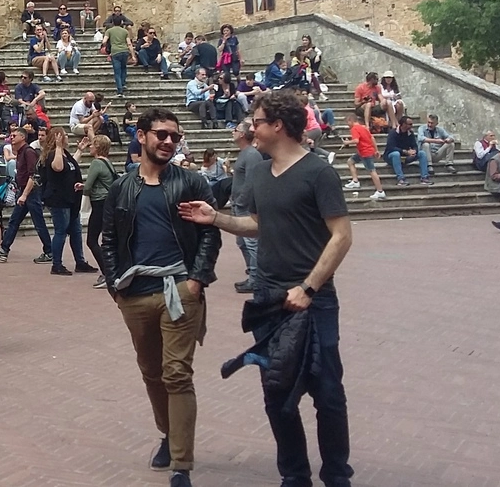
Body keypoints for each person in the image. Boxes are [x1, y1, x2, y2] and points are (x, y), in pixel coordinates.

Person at [179, 90, 355, 487]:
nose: (249, 128)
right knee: (276, 390)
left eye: (255, 122)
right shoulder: (258, 172)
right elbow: (258, 224)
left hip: (314, 300)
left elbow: (341, 236)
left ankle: (337, 475)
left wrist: (309, 288)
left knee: (327, 391)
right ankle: (294, 475)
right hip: (268, 298)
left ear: (278, 125)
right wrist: (216, 218)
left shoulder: (318, 172)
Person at [98, 107, 221, 487]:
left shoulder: (192, 182)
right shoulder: (122, 186)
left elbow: (209, 235)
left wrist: (197, 281)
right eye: (161, 134)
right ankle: (168, 434)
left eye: (174, 136)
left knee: (177, 374)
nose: (169, 141)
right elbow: (108, 239)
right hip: (135, 293)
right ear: (142, 136)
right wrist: (116, 283)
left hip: (180, 291)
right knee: (152, 373)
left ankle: (182, 464)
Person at [38, 127, 96, 277]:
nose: (67, 137)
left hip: (71, 199)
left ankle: (80, 262)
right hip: (59, 199)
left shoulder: (64, 153)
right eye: (65, 135)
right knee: (61, 231)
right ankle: (56, 264)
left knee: (76, 231)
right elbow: (58, 167)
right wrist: (57, 147)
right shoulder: (53, 154)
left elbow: (69, 166)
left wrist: (80, 150)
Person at [0, 125, 53, 262]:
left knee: (38, 222)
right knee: (15, 221)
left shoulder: (28, 152)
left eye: (14, 136)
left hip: (30, 191)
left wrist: (24, 194)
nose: (11, 138)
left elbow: (33, 175)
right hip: (25, 190)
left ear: (22, 137)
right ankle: (3, 249)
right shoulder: (21, 152)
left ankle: (49, 251)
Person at [228, 120, 265, 293]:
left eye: (235, 130)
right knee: (242, 242)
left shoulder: (251, 154)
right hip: (238, 204)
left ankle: (257, 278)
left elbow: (251, 181)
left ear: (242, 134)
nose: (232, 132)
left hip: (245, 206)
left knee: (251, 243)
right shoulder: (245, 153)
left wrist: (242, 201)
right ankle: (252, 273)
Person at [82, 135, 118, 289]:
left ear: (97, 147)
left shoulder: (96, 163)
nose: (90, 147)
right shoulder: (107, 162)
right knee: (106, 239)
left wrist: (82, 190)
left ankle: (107, 273)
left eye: (92, 145)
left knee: (91, 240)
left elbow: (88, 186)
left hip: (99, 203)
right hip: (108, 202)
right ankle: (112, 271)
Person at [340, 113, 385, 201]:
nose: (347, 125)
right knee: (350, 161)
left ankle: (380, 191)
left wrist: (347, 142)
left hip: (365, 152)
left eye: (347, 122)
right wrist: (376, 150)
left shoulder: (354, 129)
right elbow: (372, 138)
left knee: (372, 171)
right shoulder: (364, 127)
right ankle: (355, 181)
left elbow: (356, 140)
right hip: (365, 151)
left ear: (350, 120)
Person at [382, 116, 429, 186]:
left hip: (406, 156)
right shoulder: (393, 133)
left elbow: (415, 145)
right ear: (403, 124)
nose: (411, 126)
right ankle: (400, 179)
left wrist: (414, 151)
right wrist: (405, 151)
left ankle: (424, 177)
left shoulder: (410, 133)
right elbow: (391, 147)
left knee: (422, 153)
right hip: (391, 156)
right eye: (409, 124)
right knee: (396, 154)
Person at [103, 20, 134, 97]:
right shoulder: (125, 31)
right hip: (124, 51)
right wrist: (133, 55)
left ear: (113, 23)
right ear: (121, 23)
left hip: (115, 52)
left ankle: (120, 90)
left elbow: (104, 41)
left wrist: (107, 47)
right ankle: (123, 84)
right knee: (124, 68)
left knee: (117, 72)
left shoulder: (109, 31)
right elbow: (129, 43)